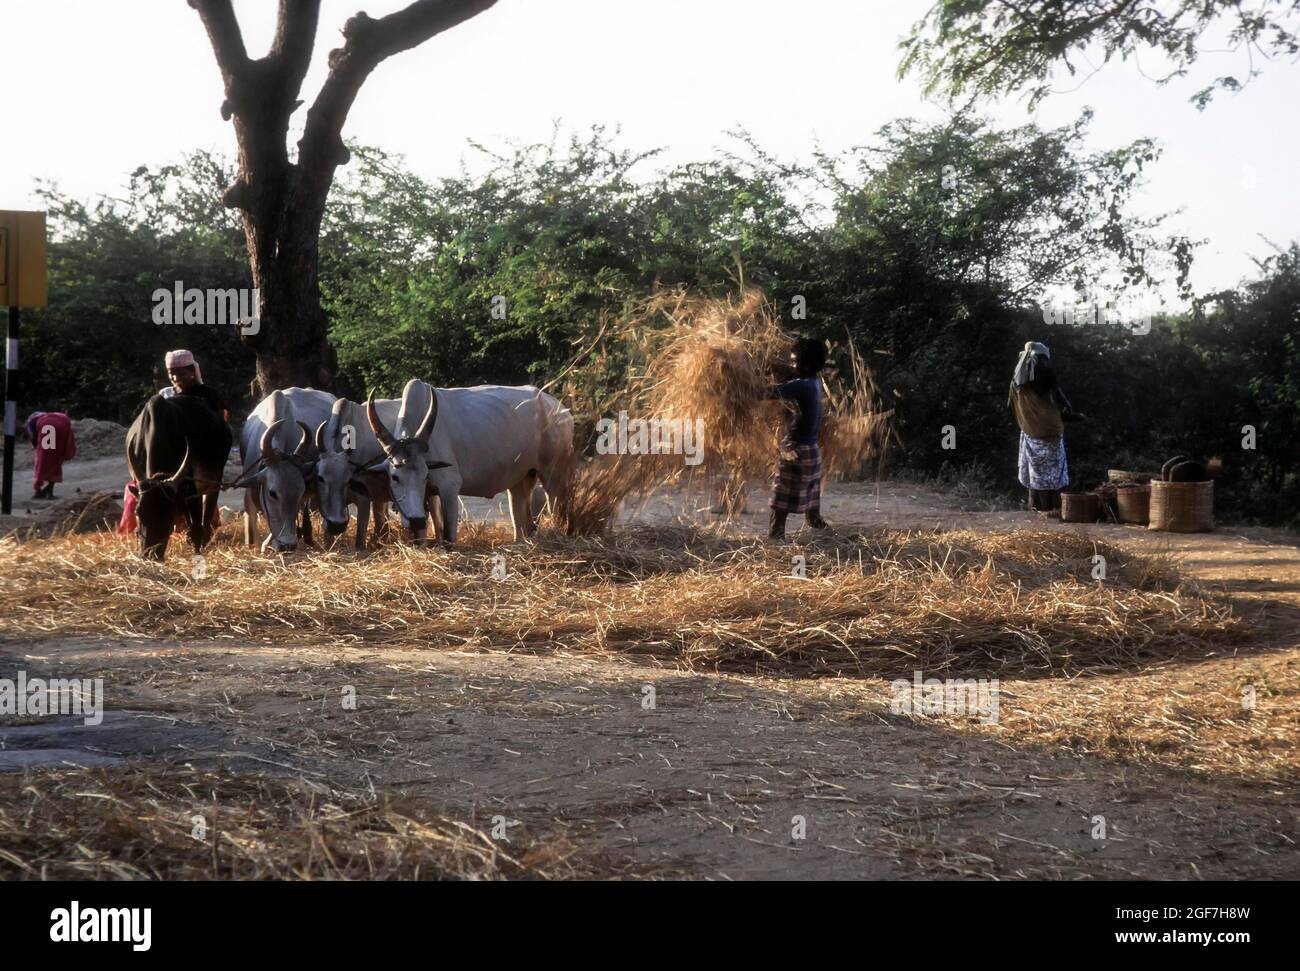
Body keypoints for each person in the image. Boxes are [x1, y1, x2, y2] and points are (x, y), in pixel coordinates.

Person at [118, 349, 229, 536]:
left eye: (181, 373)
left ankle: (203, 527)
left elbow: (221, 420)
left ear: (193, 372)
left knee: (199, 488)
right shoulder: (165, 396)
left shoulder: (207, 395)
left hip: (202, 450)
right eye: (172, 373)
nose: (176, 378)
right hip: (167, 455)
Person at [1008, 341, 1083, 513]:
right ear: (1042, 358)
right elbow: (1060, 402)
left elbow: (1010, 407)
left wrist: (1029, 419)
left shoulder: (1016, 383)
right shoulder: (1047, 375)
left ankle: (1036, 511)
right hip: (1051, 434)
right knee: (1054, 475)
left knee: (1035, 474)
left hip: (1029, 433)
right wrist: (1071, 415)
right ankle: (1053, 512)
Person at [766, 337, 830, 541]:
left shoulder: (802, 385)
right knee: (811, 501)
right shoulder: (815, 382)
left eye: (794, 362)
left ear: (808, 365)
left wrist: (741, 385)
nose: (792, 366)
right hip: (811, 450)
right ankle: (825, 531)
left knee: (780, 498)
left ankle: (776, 537)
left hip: (795, 451)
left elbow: (769, 393)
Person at [23, 411, 76, 500]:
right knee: (55, 459)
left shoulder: (30, 423)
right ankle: (49, 492)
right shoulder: (46, 415)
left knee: (42, 461)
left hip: (47, 426)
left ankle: (38, 491)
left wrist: (39, 450)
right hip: (63, 423)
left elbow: (34, 440)